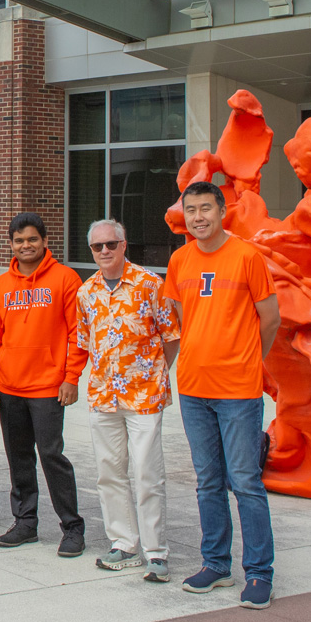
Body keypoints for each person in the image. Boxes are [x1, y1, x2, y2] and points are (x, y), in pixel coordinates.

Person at [165, 181, 280, 610]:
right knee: (207, 482)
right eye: (190, 210)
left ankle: (258, 573)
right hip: (193, 389)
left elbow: (270, 318)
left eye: (205, 209)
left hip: (238, 390)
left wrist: (251, 359)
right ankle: (215, 564)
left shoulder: (247, 256)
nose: (198, 217)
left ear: (222, 211)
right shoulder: (179, 260)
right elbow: (179, 320)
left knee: (246, 482)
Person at [76, 219, 180, 583]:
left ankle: (156, 552)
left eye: (110, 244)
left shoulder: (151, 284)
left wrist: (153, 374)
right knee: (109, 472)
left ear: (124, 245)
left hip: (145, 396)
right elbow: (86, 343)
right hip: (104, 396)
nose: (103, 251)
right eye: (96, 247)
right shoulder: (85, 291)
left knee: (147, 473)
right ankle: (124, 544)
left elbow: (170, 336)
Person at [0, 212, 88, 557]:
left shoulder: (66, 279)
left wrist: (71, 378)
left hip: (48, 388)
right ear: (10, 244)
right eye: (19, 240)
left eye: (32, 239)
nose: (25, 245)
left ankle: (72, 528)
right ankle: (25, 523)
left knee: (52, 457)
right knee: (19, 459)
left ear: (44, 241)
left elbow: (78, 335)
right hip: (10, 388)